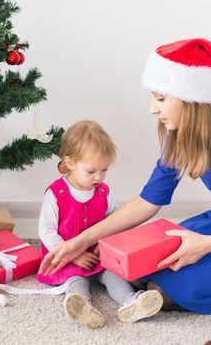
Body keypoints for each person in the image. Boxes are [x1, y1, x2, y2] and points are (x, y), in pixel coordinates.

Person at [39, 38, 211, 315]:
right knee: (134, 268)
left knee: (164, 289)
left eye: (161, 99)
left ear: (193, 100)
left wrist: (207, 245)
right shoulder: (180, 133)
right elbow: (148, 201)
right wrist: (81, 241)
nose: (152, 108)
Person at [36, 120, 164, 328]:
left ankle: (131, 302)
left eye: (104, 170)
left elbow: (114, 221)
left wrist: (107, 246)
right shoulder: (56, 194)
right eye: (91, 171)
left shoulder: (103, 191)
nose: (99, 177)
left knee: (114, 276)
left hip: (98, 254)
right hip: (67, 257)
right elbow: (47, 232)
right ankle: (83, 306)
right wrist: (74, 255)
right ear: (70, 163)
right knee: (77, 280)